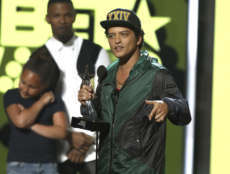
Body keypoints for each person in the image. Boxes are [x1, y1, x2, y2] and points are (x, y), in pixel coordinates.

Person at [78, 8, 192, 174]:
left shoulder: (157, 75)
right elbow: (97, 120)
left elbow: (185, 113)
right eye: (111, 35)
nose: (116, 41)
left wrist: (168, 106)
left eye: (123, 34)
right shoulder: (108, 73)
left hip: (140, 170)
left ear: (138, 38)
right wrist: (86, 102)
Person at [45, 0, 110, 173]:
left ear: (74, 17)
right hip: (51, 152)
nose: (62, 20)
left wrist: (85, 143)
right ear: (47, 19)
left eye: (67, 15)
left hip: (91, 152)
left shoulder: (95, 52)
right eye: (57, 15)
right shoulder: (40, 56)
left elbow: (106, 102)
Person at [3, 47, 68, 174]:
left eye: (32, 87)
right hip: (19, 166)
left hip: (48, 166)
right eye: (23, 82)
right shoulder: (12, 95)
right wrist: (41, 102)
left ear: (45, 85)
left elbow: (61, 132)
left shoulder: (54, 100)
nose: (25, 89)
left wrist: (30, 124)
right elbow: (21, 122)